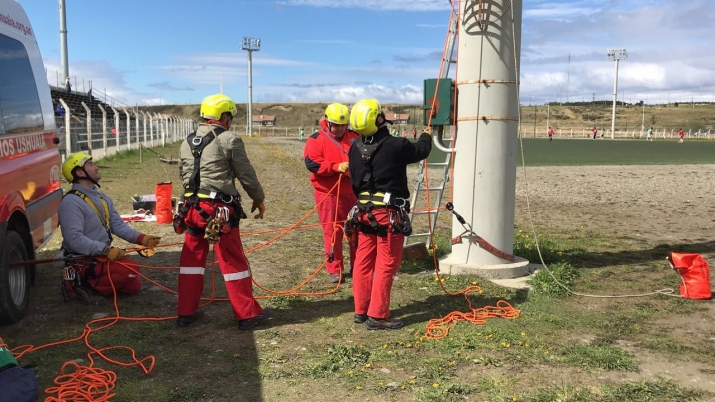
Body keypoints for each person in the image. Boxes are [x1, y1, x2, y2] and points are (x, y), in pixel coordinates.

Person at [176, 94, 271, 330]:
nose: (231, 121)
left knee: (191, 261)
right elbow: (246, 174)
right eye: (230, 116)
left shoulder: (186, 141)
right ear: (224, 116)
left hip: (191, 208)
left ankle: (185, 313)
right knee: (232, 261)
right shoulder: (229, 139)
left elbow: (183, 174)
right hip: (218, 212)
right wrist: (258, 198)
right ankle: (246, 315)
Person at [346, 99, 432, 330]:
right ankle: (378, 315)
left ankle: (361, 310)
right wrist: (426, 134)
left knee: (363, 263)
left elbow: (355, 182)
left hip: (364, 214)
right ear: (379, 119)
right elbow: (421, 150)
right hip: (387, 214)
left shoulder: (353, 147)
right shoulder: (396, 145)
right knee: (386, 264)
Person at [58, 152, 161, 303]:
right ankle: (84, 285)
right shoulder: (71, 202)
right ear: (80, 172)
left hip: (100, 257)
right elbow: (74, 239)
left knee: (134, 285)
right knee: (131, 269)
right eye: (91, 165)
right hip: (85, 261)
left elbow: (117, 225)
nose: (97, 167)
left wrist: (142, 238)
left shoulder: (102, 198)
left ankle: (96, 283)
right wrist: (105, 250)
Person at [303, 103, 359, 283]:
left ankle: (358, 266)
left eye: (343, 125)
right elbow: (312, 162)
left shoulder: (355, 138)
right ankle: (335, 269)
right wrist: (335, 167)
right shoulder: (316, 139)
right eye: (336, 125)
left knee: (356, 231)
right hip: (328, 194)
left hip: (352, 192)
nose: (340, 129)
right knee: (332, 232)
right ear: (327, 121)